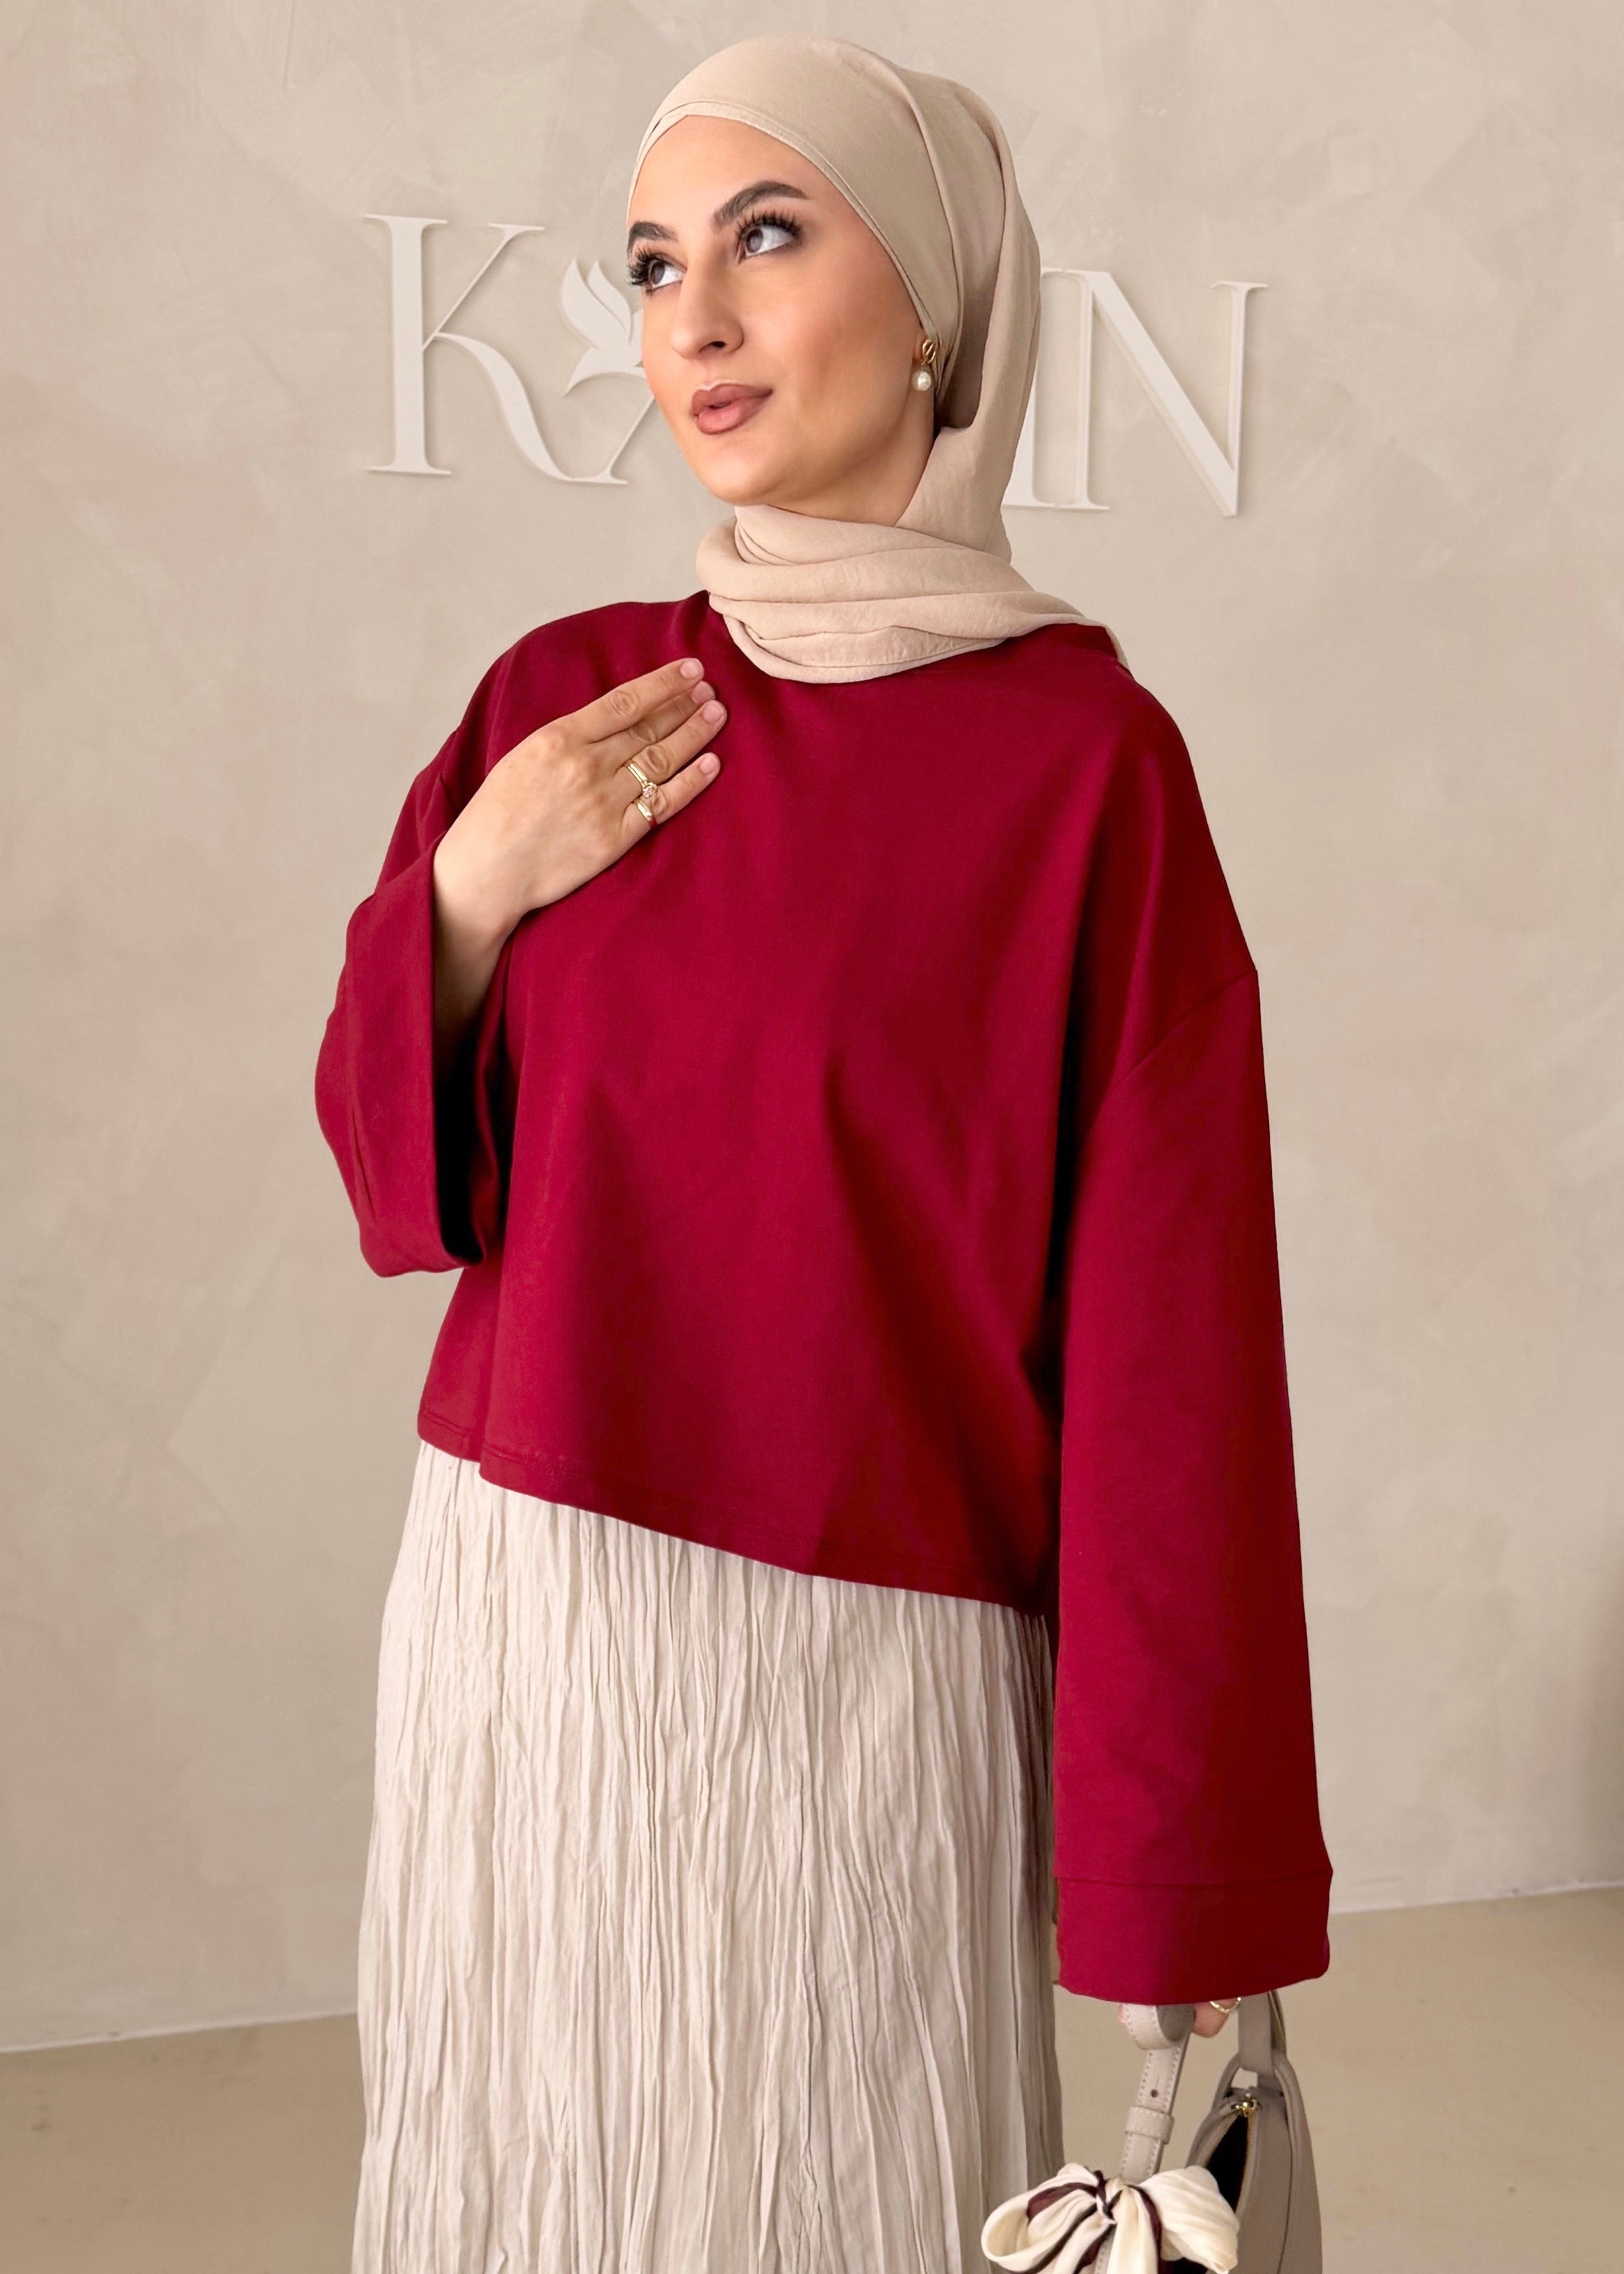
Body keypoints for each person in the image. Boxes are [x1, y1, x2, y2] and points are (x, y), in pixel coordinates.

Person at [315, 32, 1332, 2274]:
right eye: (650, 263)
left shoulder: (1086, 771)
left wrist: (1182, 1897)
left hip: (873, 1693)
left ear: (942, 303)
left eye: (765, 237)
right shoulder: (569, 699)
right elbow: (400, 1181)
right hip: (527, 1632)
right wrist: (468, 894)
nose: (692, 316)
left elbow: (1171, 1368)